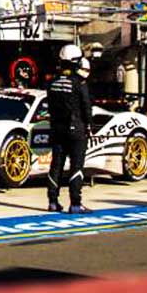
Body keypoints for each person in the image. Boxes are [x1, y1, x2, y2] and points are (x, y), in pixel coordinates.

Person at [45, 44, 92, 213]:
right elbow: (86, 107)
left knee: (56, 165)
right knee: (76, 165)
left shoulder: (52, 82)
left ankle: (52, 201)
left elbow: (50, 106)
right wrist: (89, 125)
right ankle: (75, 203)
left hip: (57, 128)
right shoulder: (79, 82)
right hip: (75, 128)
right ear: (76, 61)